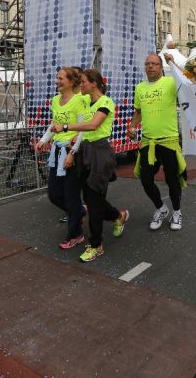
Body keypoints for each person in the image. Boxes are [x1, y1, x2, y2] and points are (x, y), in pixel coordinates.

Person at [53, 69, 129, 262]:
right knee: (90, 198)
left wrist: (66, 127)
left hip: (100, 153)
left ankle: (96, 245)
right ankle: (118, 216)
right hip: (84, 151)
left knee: (94, 201)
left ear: (94, 83)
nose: (81, 85)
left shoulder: (106, 102)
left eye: (84, 82)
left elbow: (93, 125)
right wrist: (74, 144)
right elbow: (74, 103)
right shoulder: (86, 101)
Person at [127, 54, 187, 231]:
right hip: (148, 142)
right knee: (146, 179)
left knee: (172, 180)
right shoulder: (140, 88)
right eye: (147, 64)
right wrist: (132, 126)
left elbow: (188, 82)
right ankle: (161, 208)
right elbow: (138, 112)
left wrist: (172, 62)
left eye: (154, 64)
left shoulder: (170, 83)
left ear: (161, 67)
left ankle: (177, 212)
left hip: (169, 140)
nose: (150, 66)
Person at [36, 67, 88, 250]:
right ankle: (79, 211)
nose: (57, 81)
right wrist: (43, 140)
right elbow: (54, 123)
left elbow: (83, 129)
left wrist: (73, 152)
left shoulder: (79, 101)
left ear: (71, 81)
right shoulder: (55, 100)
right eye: (57, 78)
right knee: (54, 194)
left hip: (72, 152)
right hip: (57, 152)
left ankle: (76, 234)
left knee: (71, 196)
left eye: (61, 78)